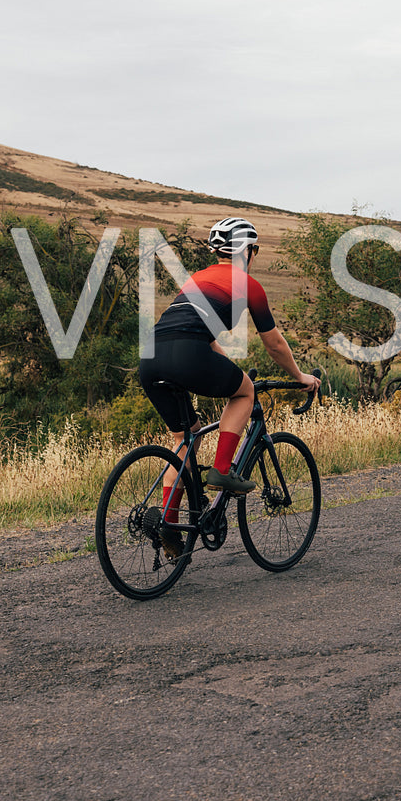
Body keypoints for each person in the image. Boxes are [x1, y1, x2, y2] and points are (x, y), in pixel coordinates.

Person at [138, 217, 320, 553]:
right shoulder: (248, 284)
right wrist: (300, 377)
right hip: (187, 354)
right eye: (255, 250)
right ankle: (222, 470)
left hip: (150, 359)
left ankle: (168, 524)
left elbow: (199, 337)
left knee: (184, 441)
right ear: (247, 252)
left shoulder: (196, 279)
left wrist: (230, 369)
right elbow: (275, 344)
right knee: (245, 392)